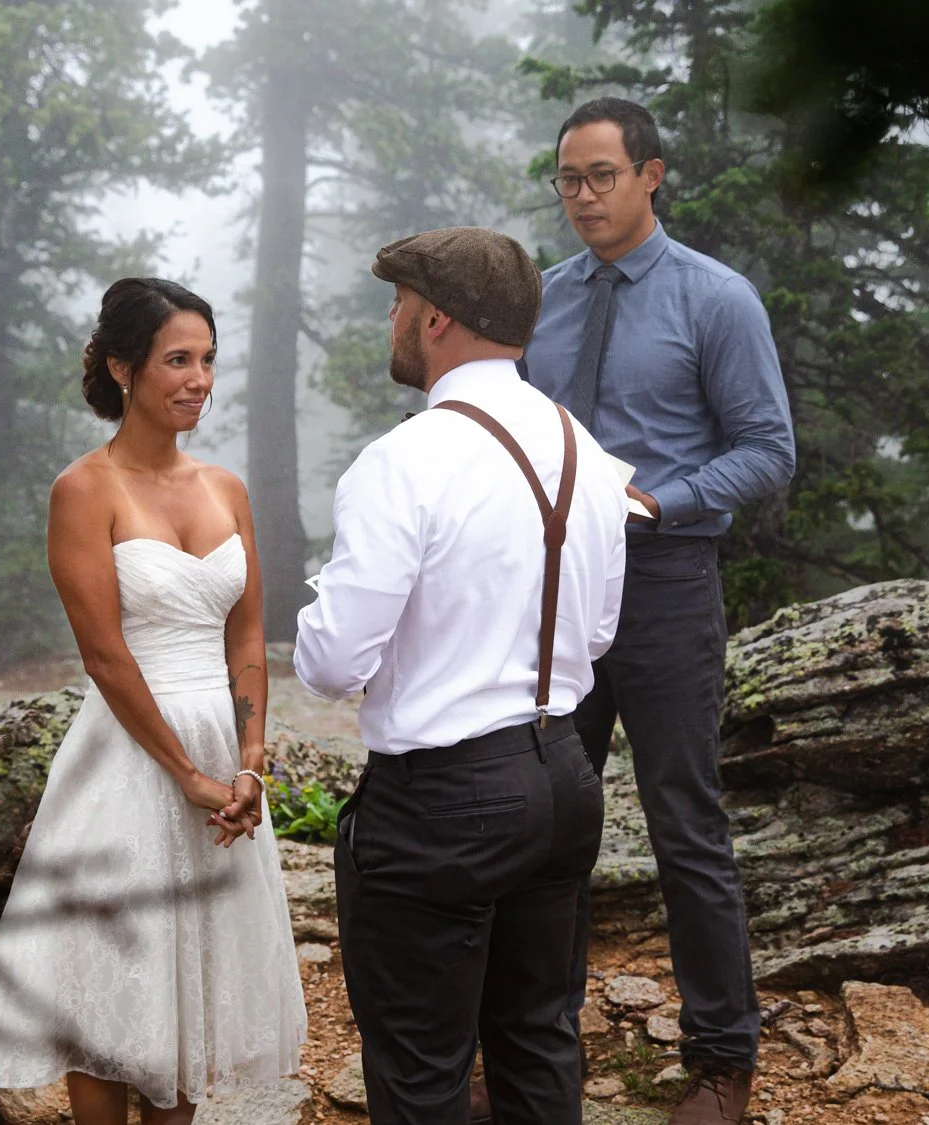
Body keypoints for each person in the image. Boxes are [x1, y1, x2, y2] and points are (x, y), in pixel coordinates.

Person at [0, 278, 307, 1124]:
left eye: (208, 359)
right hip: (128, 757)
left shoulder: (227, 488)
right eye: (177, 359)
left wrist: (247, 764)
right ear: (122, 368)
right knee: (113, 994)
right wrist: (185, 771)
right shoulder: (85, 489)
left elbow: (248, 636)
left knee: (187, 992)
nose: (199, 379)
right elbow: (105, 654)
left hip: (220, 755)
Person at [296, 227, 628, 1125]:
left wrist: (321, 603)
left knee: (420, 1069)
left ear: (436, 317)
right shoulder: (587, 454)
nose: (393, 320)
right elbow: (596, 636)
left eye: (398, 304)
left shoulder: (402, 462)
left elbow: (331, 663)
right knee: (537, 1040)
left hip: (443, 798)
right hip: (564, 776)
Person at [520, 97, 797, 1125]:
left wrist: (656, 497)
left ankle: (723, 1064)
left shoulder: (714, 299)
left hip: (666, 587)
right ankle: (533, 1055)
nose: (580, 196)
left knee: (685, 828)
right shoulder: (537, 302)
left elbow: (767, 451)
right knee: (546, 821)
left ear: (650, 175)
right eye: (565, 179)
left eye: (599, 175)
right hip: (554, 597)